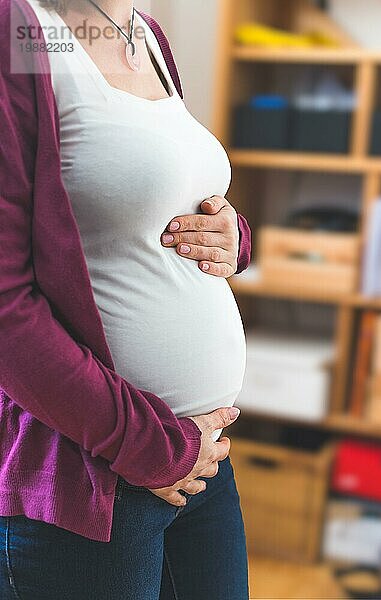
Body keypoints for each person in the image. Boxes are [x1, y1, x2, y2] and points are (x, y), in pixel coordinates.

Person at [0, 0, 252, 598]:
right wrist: (151, 446)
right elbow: (6, 305)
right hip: (93, 474)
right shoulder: (20, 30)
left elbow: (144, 203)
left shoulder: (145, 36)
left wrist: (231, 236)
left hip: (197, 462)